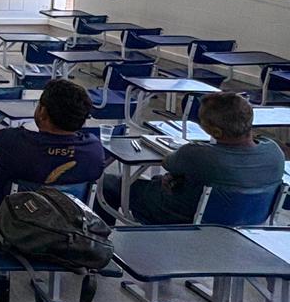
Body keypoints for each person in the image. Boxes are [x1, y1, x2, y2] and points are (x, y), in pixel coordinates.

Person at [99, 93, 285, 225]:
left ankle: (98, 246)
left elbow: (169, 162)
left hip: (181, 217)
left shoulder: (197, 154)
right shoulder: (274, 152)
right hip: (246, 221)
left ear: (215, 131)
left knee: (109, 183)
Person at [0, 79, 107, 213]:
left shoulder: (16, 142)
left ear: (43, 112)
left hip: (9, 212)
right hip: (68, 217)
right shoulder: (94, 149)